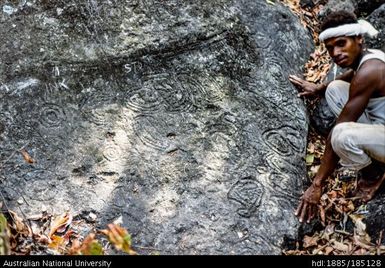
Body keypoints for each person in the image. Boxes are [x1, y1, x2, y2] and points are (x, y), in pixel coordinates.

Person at [288, 10, 385, 224]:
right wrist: (320, 88)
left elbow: (337, 131)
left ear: (358, 39)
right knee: (334, 89)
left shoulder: (371, 71)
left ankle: (374, 175)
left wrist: (317, 184)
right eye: (330, 48)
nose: (335, 52)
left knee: (340, 135)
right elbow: (352, 74)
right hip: (381, 128)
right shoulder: (369, 58)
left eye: (341, 43)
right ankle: (372, 161)